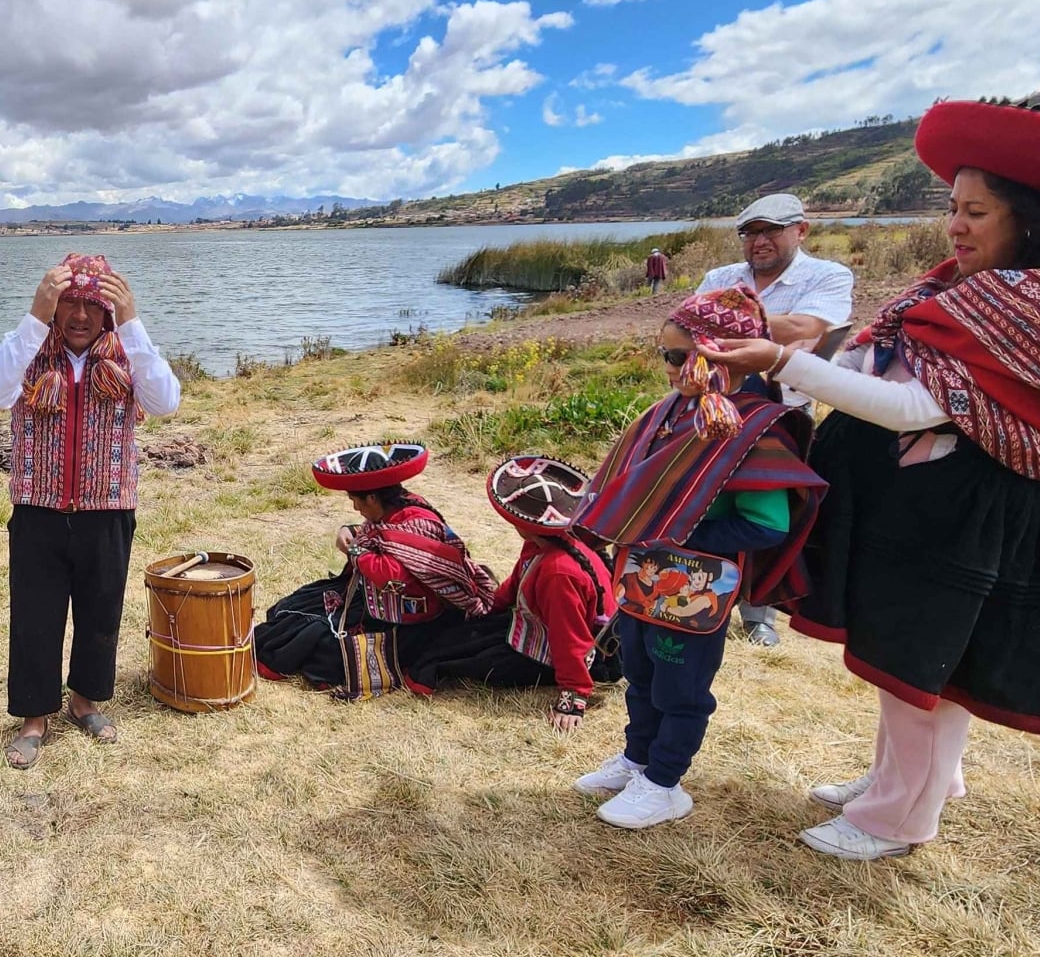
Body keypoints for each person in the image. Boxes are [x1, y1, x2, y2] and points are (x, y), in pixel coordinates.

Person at [696, 98, 1040, 860]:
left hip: (974, 510)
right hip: (948, 500)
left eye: (977, 211)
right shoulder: (971, 290)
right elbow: (894, 362)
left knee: (923, 665)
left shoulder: (1025, 304)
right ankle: (910, 780)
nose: (956, 225)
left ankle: (898, 815)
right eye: (953, 207)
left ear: (1031, 222)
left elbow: (916, 404)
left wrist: (782, 363)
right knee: (929, 658)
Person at [571, 287, 827, 829]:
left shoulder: (753, 429)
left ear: (718, 354)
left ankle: (665, 783)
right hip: (644, 579)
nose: (667, 367)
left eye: (676, 355)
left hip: (695, 591)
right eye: (663, 354)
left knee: (681, 688)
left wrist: (675, 527)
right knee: (639, 673)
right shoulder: (669, 415)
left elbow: (766, 525)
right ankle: (638, 760)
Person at [0, 253, 181, 769]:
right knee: (34, 618)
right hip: (38, 510)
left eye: (94, 304)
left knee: (100, 613)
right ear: (54, 304)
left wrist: (133, 324)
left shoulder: (127, 353)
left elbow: (166, 402)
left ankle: (86, 701)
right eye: (70, 303)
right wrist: (33, 317)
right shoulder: (29, 351)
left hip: (107, 506)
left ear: (109, 309)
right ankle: (34, 717)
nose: (82, 316)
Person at [698, 192, 855, 646]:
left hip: (785, 413)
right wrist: (776, 328)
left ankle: (759, 610)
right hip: (719, 407)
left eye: (771, 230)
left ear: (800, 230)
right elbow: (692, 327)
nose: (759, 241)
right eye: (750, 232)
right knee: (715, 500)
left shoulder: (828, 275)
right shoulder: (720, 276)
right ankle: (711, 596)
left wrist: (729, 320)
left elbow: (812, 329)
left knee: (770, 508)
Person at [254, 442, 497, 699]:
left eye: (355, 501)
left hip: (407, 622)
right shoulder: (394, 510)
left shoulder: (415, 522)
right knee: (299, 605)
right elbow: (377, 536)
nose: (355, 508)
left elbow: (394, 578)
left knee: (318, 641)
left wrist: (355, 552)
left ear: (372, 498)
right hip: (379, 605)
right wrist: (349, 532)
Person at [409, 455, 619, 731]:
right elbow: (515, 583)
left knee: (448, 658)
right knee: (456, 633)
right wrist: (488, 607)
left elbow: (570, 636)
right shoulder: (545, 545)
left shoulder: (559, 573)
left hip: (579, 656)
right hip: (541, 630)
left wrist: (574, 695)